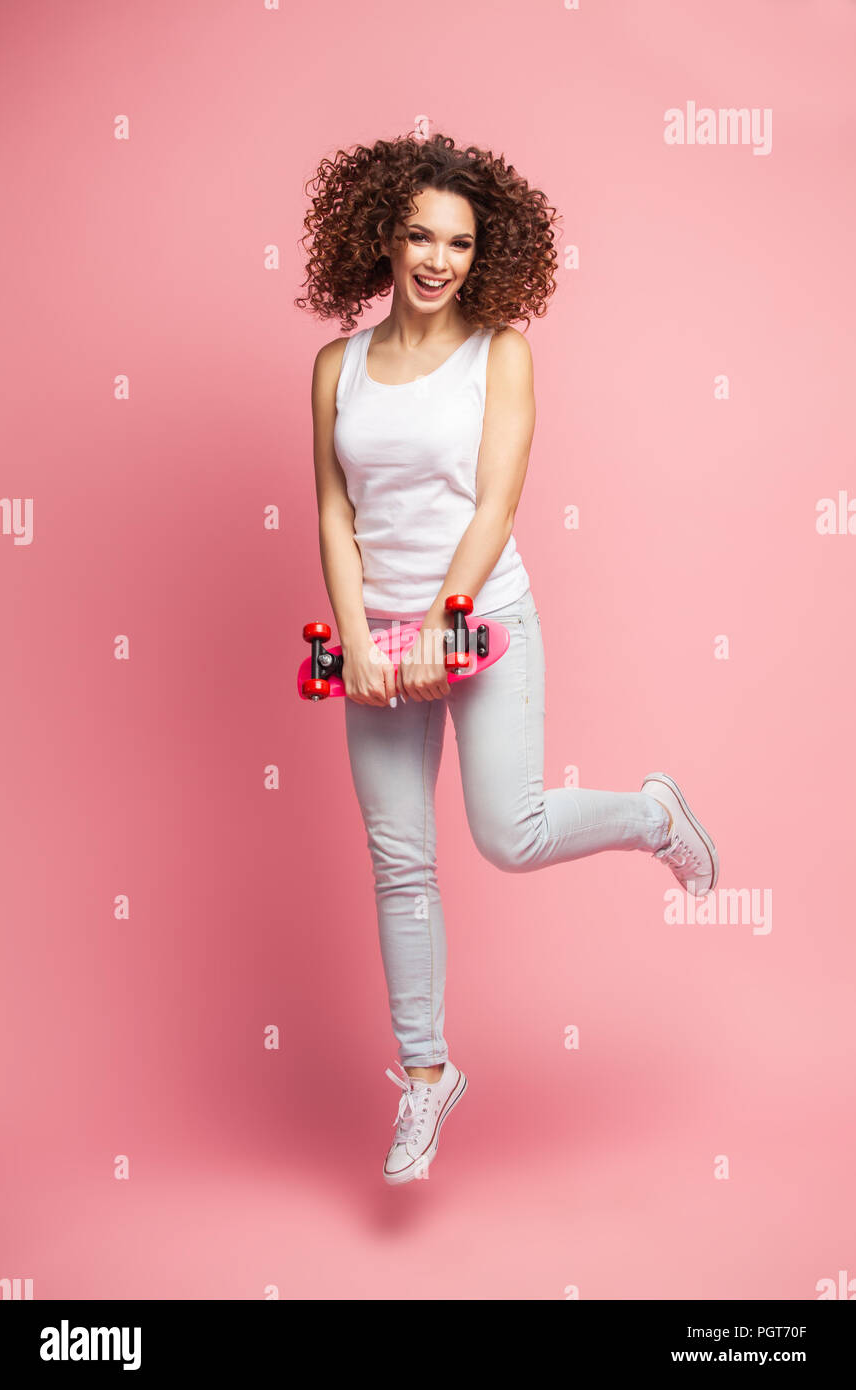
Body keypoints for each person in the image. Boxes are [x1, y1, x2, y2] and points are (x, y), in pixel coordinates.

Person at [295, 131, 719, 1185]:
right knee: (398, 861)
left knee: (509, 833)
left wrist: (443, 618)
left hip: (483, 618)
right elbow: (333, 505)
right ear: (381, 240)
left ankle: (653, 815)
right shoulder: (333, 367)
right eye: (419, 236)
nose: (438, 259)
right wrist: (356, 635)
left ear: (485, 254)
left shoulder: (501, 354)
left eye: (460, 243)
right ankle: (426, 1073)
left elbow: (495, 501)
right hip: (377, 637)